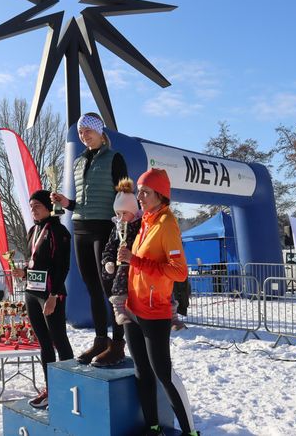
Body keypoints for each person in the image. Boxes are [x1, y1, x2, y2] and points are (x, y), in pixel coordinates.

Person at [117, 168, 199, 436]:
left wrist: (135, 260)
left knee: (163, 374)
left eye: (145, 191)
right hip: (133, 308)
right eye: (139, 190)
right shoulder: (146, 222)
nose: (139, 196)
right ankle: (152, 427)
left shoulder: (166, 225)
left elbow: (179, 271)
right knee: (142, 372)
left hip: (155, 312)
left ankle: (189, 432)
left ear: (161, 195)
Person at [51, 112, 129, 366]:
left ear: (100, 132)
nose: (85, 136)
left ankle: (118, 344)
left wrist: (125, 228)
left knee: (110, 288)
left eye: (89, 131)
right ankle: (99, 340)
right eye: (81, 132)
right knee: (92, 287)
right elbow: (81, 201)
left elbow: (124, 195)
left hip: (105, 227)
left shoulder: (114, 157)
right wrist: (66, 203)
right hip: (81, 227)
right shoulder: (78, 161)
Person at [12, 190, 74, 409]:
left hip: (51, 295)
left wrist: (54, 296)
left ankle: (69, 387)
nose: (33, 210)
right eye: (31, 206)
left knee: (59, 340)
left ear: (48, 207)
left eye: (37, 205)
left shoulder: (59, 231)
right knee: (44, 343)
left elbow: (62, 266)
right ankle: (51, 389)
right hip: (32, 293)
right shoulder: (32, 230)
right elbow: (34, 262)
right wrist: (24, 273)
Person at [100, 178, 141, 329]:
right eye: (118, 213)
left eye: (125, 213)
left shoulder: (142, 225)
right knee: (120, 275)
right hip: (122, 265)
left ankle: (173, 314)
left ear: (134, 211)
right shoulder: (116, 228)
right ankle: (118, 309)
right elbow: (109, 247)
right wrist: (108, 261)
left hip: (138, 264)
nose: (121, 217)